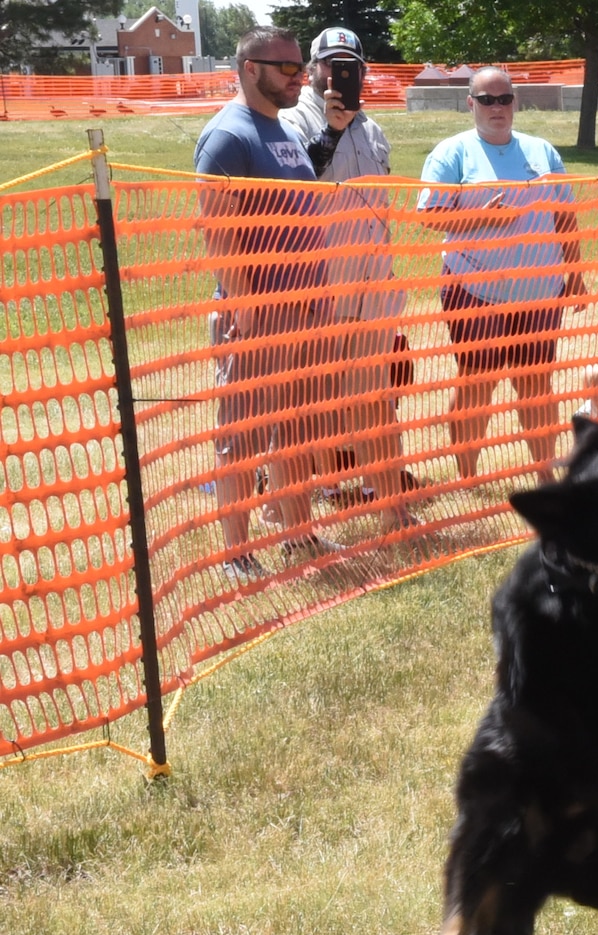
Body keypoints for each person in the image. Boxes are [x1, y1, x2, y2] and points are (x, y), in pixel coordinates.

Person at [194, 24, 340, 578]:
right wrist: (245, 304)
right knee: (244, 437)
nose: (298, 77)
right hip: (260, 313)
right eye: (286, 68)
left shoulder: (279, 130)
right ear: (250, 68)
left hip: (305, 308)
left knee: (297, 431)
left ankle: (298, 538)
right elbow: (217, 227)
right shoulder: (229, 135)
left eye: (300, 67)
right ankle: (236, 554)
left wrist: (320, 299)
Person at [279, 25, 414, 538]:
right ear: (312, 69)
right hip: (321, 288)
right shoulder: (289, 122)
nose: (340, 75)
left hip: (373, 285)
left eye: (350, 66)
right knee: (306, 407)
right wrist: (331, 131)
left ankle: (394, 510)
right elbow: (294, 189)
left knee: (375, 401)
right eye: (330, 65)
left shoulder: (374, 127)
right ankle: (290, 519)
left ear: (363, 71)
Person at [418, 66, 584, 479]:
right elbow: (427, 215)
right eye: (487, 100)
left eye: (504, 99)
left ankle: (545, 474)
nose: (497, 107)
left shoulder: (542, 151)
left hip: (540, 290)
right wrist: (480, 219)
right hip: (473, 289)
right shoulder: (452, 152)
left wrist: (575, 273)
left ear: (515, 103)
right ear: (470, 103)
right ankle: (467, 475)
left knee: (536, 383)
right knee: (478, 382)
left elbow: (565, 215)